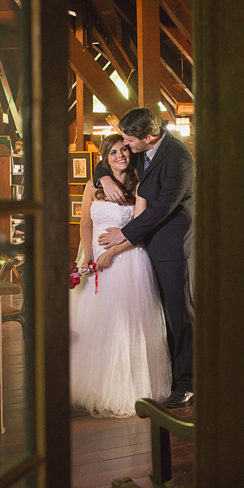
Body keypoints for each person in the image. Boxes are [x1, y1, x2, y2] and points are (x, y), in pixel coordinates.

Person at [95, 107, 195, 408]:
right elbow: (111, 159)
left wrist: (122, 235)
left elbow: (161, 209)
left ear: (147, 137)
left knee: (178, 314)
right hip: (143, 247)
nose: (125, 145)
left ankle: (187, 383)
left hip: (170, 248)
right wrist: (104, 179)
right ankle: (161, 376)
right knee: (154, 316)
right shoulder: (142, 148)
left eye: (129, 140)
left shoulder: (179, 159)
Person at [69, 133, 171, 417]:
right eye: (113, 152)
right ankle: (91, 382)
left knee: (124, 325)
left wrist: (112, 252)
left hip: (127, 261)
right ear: (106, 158)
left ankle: (126, 386)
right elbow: (85, 223)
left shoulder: (140, 187)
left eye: (124, 150)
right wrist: (88, 253)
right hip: (95, 262)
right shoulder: (93, 184)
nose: (120, 156)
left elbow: (139, 230)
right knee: (94, 324)